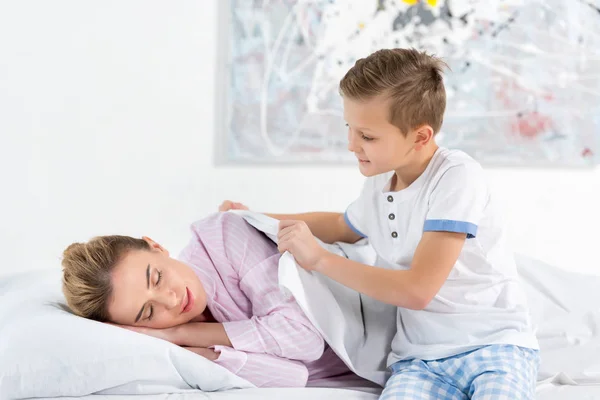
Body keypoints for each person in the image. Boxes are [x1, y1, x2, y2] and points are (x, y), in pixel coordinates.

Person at [220, 48, 540, 399]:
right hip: (420, 359)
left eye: (367, 137)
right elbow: (343, 226)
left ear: (420, 136)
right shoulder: (379, 183)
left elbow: (417, 290)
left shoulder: (456, 177)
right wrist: (255, 217)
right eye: (350, 129)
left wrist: (321, 260)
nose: (350, 145)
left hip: (493, 347)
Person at [61, 212, 348, 388]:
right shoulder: (172, 348)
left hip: (378, 301)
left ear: (156, 247)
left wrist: (182, 332)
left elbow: (306, 341)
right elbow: (294, 377)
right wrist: (198, 352)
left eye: (157, 277)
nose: (170, 301)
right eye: (148, 312)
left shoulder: (220, 237)